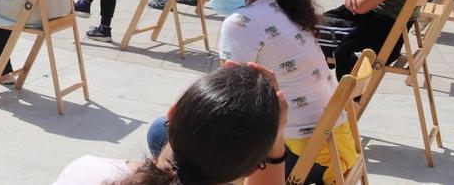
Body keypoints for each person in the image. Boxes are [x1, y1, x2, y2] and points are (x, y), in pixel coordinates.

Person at [187, 0, 356, 181]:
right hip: (335, 148)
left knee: (165, 134)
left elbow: (230, 103)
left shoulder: (240, 23)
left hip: (301, 155)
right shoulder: (284, 7)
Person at [53, 65, 286, 185]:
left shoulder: (86, 169)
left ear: (172, 113)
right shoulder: (253, 168)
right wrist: (276, 136)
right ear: (252, 168)